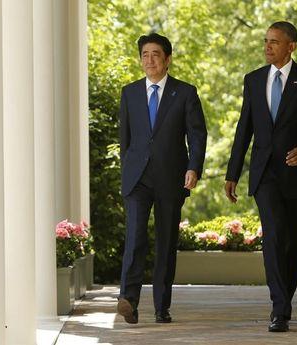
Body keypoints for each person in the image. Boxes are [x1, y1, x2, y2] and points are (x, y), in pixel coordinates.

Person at [225, 21, 297, 332]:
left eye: (274, 42)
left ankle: (284, 299)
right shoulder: (254, 80)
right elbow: (244, 129)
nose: (268, 46)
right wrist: (233, 173)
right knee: (274, 234)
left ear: (291, 46)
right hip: (265, 173)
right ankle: (280, 309)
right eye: (266, 41)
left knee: (294, 241)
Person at [117, 33, 207, 324]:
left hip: (171, 178)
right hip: (138, 179)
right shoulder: (129, 93)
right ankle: (128, 300)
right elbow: (126, 140)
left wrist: (193, 168)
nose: (150, 60)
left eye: (156, 54)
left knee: (165, 243)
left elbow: (197, 134)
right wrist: (128, 171)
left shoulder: (185, 93)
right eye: (145, 55)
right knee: (135, 239)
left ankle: (161, 307)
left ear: (167, 59)